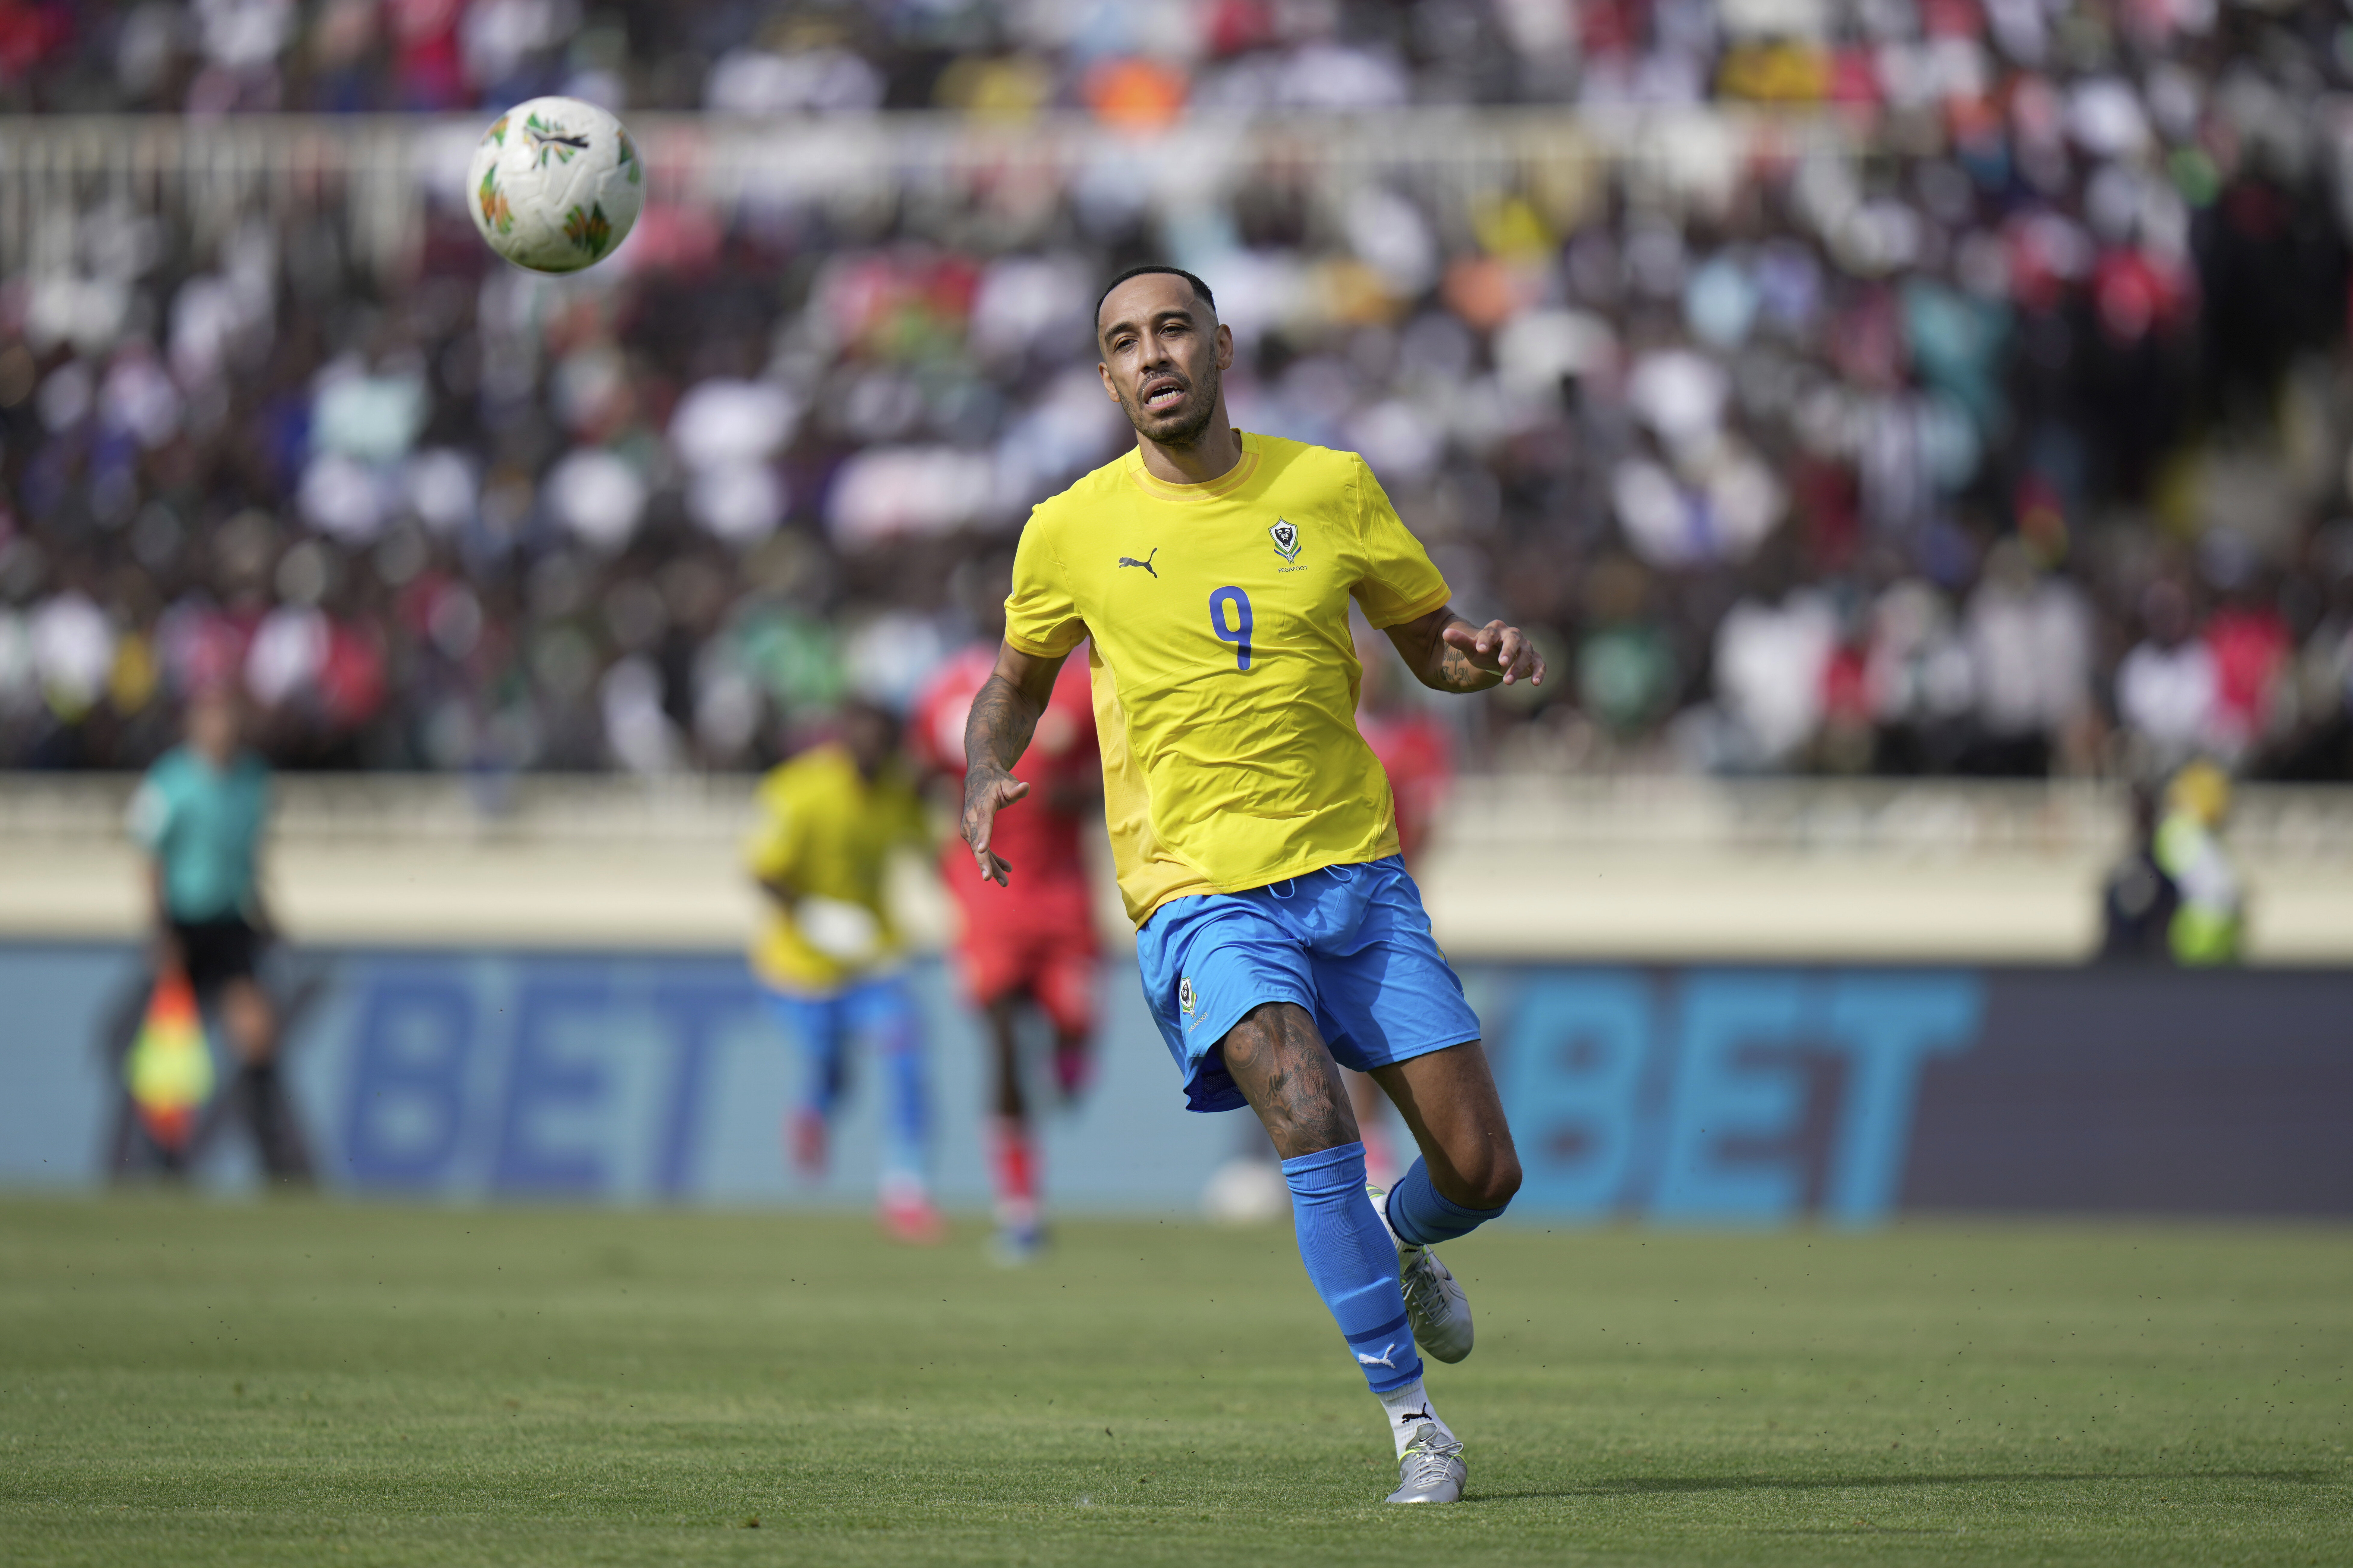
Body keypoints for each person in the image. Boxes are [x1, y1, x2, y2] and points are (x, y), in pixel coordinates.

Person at [959, 265, 1544, 1506]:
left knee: (1482, 1171)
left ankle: (1401, 1237)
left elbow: (1424, 641)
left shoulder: (1328, 487)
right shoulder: (1068, 525)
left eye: (1172, 328)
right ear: (1105, 375)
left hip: (1354, 876)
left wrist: (1473, 654)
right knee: (1304, 1107)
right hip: (1196, 890)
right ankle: (1413, 1426)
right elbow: (1016, 678)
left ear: (1219, 345)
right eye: (1123, 341)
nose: (1152, 354)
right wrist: (983, 768)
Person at [910, 632, 1103, 1263]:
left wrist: (1064, 799)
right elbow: (920, 774)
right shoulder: (945, 692)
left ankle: (1072, 1060)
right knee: (1000, 1042)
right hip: (986, 890)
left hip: (1061, 890)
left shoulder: (1080, 687)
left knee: (1073, 1023)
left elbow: (1116, 778)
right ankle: (1019, 1209)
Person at [744, 701, 942, 1242]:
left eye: (884, 740)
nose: (874, 751)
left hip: (872, 961)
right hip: (800, 967)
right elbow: (763, 872)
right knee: (833, 1071)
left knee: (906, 1055)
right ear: (843, 738)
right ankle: (812, 1109)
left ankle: (907, 1190)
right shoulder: (798, 790)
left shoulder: (900, 792)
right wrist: (813, 916)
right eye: (864, 737)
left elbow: (930, 852)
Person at [125, 684, 311, 1182]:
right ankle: (162, 1161)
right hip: (185, 925)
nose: (222, 729)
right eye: (212, 718)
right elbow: (150, 860)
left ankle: (273, 1155)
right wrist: (159, 929)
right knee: (173, 1049)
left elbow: (248, 857)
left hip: (231, 924)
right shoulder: (171, 782)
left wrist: (265, 913)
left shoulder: (253, 781)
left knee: (256, 1036)